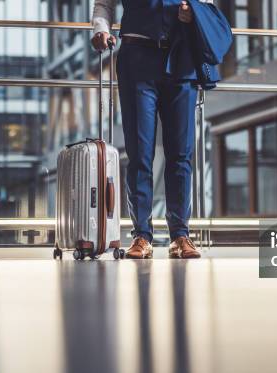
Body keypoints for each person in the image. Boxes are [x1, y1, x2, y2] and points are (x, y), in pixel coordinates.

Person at [90, 0, 215, 259]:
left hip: (182, 59)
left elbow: (206, 4)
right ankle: (141, 235)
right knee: (139, 153)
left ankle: (180, 235)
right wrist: (100, 29)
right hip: (136, 59)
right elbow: (104, 4)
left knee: (181, 153)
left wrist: (193, 13)